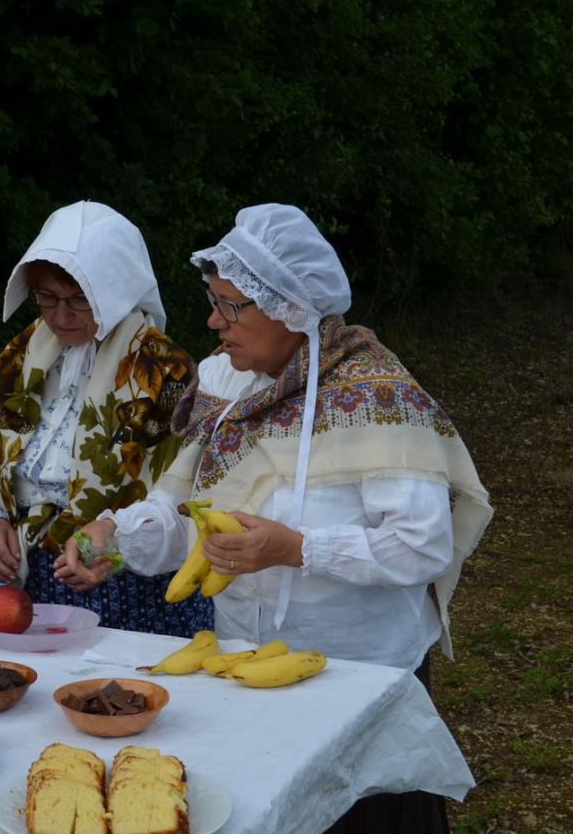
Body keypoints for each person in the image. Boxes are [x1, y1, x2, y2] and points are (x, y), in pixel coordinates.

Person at [59, 203, 492, 833]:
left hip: (355, 677)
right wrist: (116, 537)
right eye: (214, 301)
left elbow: (421, 546)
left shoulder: (377, 395)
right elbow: (186, 514)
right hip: (241, 666)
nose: (213, 322)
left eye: (231, 306)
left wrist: (297, 548)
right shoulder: (224, 384)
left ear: (291, 307)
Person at [0, 201, 212, 635]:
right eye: (47, 297)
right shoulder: (16, 361)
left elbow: (187, 498)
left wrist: (116, 547)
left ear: (115, 290)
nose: (60, 316)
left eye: (79, 299)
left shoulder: (166, 374)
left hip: (136, 594)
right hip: (32, 585)